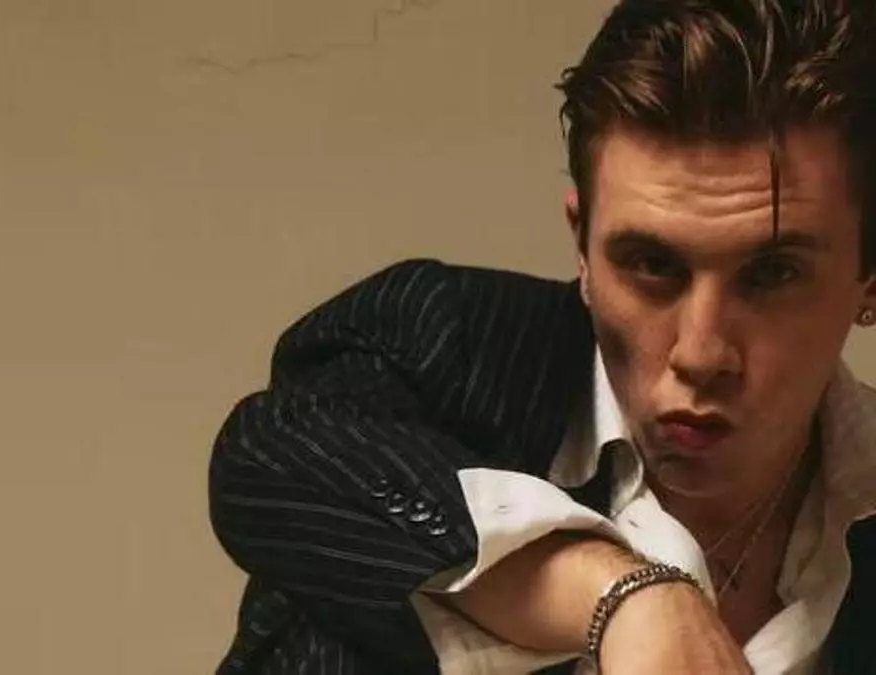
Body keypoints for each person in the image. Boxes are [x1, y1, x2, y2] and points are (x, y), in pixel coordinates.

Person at [207, 1, 876, 673]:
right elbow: (267, 455)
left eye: (773, 274)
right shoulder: (450, 350)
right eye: (650, 265)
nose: (700, 353)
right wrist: (619, 595)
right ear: (582, 247)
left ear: (869, 280)